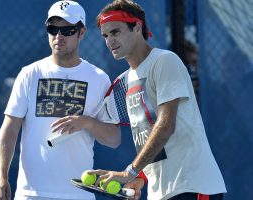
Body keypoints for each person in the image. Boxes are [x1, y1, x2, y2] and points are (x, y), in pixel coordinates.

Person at [88, 0, 226, 200]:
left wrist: (130, 172)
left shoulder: (164, 61)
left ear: (137, 27)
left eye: (115, 32)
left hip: (192, 185)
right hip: (161, 191)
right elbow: (149, 136)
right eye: (105, 35)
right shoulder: (128, 80)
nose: (110, 41)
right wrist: (141, 176)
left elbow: (165, 125)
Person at [0, 1, 121, 200]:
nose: (58, 36)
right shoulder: (29, 74)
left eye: (67, 30)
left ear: (81, 32)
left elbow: (114, 139)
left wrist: (86, 122)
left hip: (78, 195)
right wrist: (1, 177)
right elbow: (9, 129)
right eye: (53, 29)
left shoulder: (99, 78)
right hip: (31, 194)